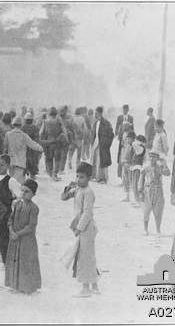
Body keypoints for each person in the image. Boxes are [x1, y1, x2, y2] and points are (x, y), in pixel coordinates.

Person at [61, 162, 99, 297]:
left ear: (89, 178)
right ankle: (94, 284)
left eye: (82, 177)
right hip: (81, 227)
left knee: (84, 257)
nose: (78, 180)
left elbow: (87, 213)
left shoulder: (88, 192)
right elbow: (63, 197)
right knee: (87, 255)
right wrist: (68, 187)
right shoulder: (78, 189)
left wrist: (79, 228)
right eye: (77, 176)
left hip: (86, 228)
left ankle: (86, 288)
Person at [5, 178, 42, 295]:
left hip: (27, 240)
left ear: (33, 194)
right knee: (14, 260)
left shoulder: (34, 208)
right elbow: (10, 219)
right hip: (15, 239)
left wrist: (18, 234)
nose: (23, 194)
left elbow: (31, 226)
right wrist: (11, 231)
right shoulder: (16, 205)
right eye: (22, 191)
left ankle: (28, 286)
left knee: (26, 262)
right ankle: (15, 285)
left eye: (27, 192)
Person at [0, 154, 21, 265]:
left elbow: (20, 197)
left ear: (8, 166)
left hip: (5, 216)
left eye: (2, 165)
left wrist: (13, 207)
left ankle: (7, 263)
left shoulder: (11, 181)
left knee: (4, 239)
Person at [138, 150, 171, 236]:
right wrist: (140, 191)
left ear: (157, 158)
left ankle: (158, 230)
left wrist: (164, 165)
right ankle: (145, 229)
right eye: (150, 156)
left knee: (158, 211)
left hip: (158, 190)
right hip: (147, 190)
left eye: (154, 157)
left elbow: (167, 173)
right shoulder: (145, 167)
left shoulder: (159, 167)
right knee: (146, 211)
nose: (152, 158)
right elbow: (141, 179)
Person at [5, 117, 43, 184]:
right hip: (21, 163)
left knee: (11, 183)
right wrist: (41, 148)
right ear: (21, 125)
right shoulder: (24, 135)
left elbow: (5, 147)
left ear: (13, 125)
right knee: (20, 184)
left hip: (11, 162)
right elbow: (33, 145)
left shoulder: (8, 134)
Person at [40, 107, 66, 181]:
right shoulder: (59, 121)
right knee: (57, 159)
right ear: (56, 113)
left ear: (49, 113)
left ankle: (51, 174)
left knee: (49, 159)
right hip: (57, 143)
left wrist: (44, 140)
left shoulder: (45, 121)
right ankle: (55, 174)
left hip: (49, 143)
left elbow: (41, 133)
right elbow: (64, 131)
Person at [91, 106, 114, 184]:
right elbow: (93, 134)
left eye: (96, 113)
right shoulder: (96, 123)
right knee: (95, 160)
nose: (95, 114)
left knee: (102, 161)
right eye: (95, 113)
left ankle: (103, 179)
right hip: (96, 144)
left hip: (103, 146)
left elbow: (111, 135)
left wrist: (107, 144)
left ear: (100, 113)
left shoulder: (106, 123)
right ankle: (95, 177)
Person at [115, 104, 134, 178]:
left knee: (127, 157)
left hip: (129, 139)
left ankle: (126, 177)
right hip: (122, 139)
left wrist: (132, 137)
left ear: (128, 110)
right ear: (122, 110)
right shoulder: (119, 117)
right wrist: (116, 134)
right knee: (120, 156)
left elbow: (132, 127)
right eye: (124, 109)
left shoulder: (131, 118)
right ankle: (120, 175)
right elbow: (116, 126)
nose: (125, 111)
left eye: (126, 109)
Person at [21, 113, 40, 179]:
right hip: (32, 148)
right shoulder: (35, 128)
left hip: (25, 147)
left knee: (24, 160)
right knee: (33, 160)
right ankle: (32, 174)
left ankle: (24, 173)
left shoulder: (22, 127)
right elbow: (37, 138)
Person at [67, 108, 85, 172]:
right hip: (79, 139)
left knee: (71, 151)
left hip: (73, 138)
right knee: (79, 153)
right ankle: (77, 165)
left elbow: (69, 128)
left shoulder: (72, 119)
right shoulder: (82, 119)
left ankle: (69, 160)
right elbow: (84, 128)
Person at [130, 135, 146, 205]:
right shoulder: (139, 147)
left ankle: (139, 201)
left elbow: (133, 143)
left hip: (138, 168)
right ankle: (137, 200)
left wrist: (139, 143)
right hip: (135, 167)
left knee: (137, 185)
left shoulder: (141, 148)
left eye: (137, 140)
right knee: (134, 185)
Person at [120, 131, 135, 202]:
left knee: (131, 181)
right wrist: (123, 161)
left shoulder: (134, 147)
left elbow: (134, 158)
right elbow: (124, 155)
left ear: (133, 139)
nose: (128, 140)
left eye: (129, 138)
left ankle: (132, 197)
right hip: (125, 165)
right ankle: (127, 197)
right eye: (127, 138)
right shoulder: (127, 145)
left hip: (130, 166)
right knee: (126, 181)